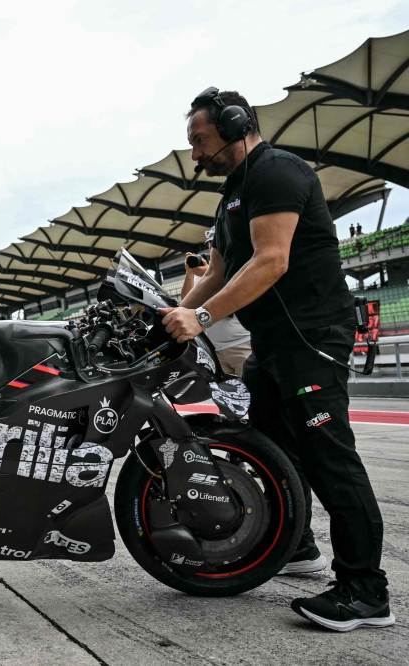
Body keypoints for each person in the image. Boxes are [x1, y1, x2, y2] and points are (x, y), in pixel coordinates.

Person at [161, 88, 392, 632]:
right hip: (272, 346)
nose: (195, 154)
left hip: (311, 338)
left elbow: (272, 260)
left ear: (236, 125)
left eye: (200, 141)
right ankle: (298, 544)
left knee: (328, 459)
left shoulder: (276, 171)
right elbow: (217, 273)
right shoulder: (232, 193)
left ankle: (365, 589)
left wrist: (202, 319)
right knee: (269, 447)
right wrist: (171, 317)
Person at [179, 229, 251, 375]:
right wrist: (190, 275)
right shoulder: (206, 272)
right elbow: (187, 302)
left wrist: (207, 273)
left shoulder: (238, 263)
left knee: (256, 392)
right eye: (211, 243)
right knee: (231, 395)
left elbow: (234, 295)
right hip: (216, 349)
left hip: (241, 343)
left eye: (216, 242)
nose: (213, 247)